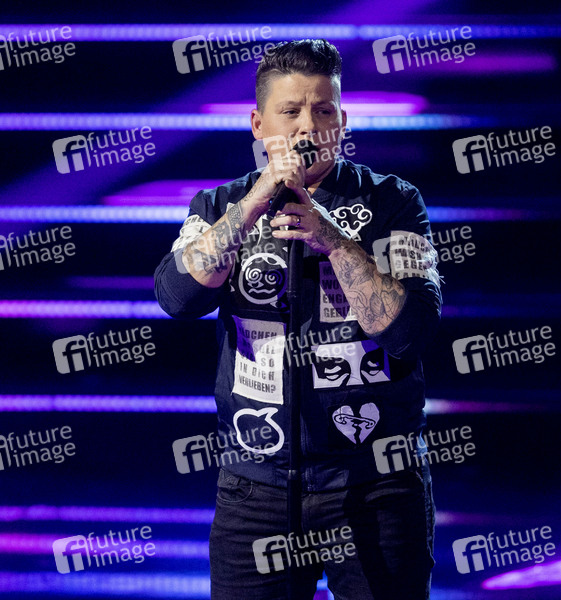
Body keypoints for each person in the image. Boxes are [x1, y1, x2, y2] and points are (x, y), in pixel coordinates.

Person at [154, 39, 441, 600]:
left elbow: (410, 331)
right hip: (255, 488)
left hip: (377, 486)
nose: (309, 126)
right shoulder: (218, 206)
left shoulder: (395, 203)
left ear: (343, 121)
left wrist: (332, 239)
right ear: (258, 124)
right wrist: (256, 201)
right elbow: (178, 296)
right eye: (290, 112)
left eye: (324, 110)